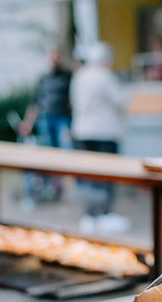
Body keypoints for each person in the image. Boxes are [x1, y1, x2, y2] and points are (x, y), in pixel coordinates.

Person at [70, 41, 130, 233]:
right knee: (106, 174)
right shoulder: (105, 76)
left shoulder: (79, 76)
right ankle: (104, 215)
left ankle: (90, 215)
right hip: (105, 133)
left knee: (89, 174)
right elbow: (121, 100)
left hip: (82, 131)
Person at [17, 46, 73, 203]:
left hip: (62, 118)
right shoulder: (43, 78)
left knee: (65, 153)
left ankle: (64, 185)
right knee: (49, 153)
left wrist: (73, 124)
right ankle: (53, 186)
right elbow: (35, 103)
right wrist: (28, 123)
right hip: (45, 118)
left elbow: (73, 100)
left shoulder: (67, 76)